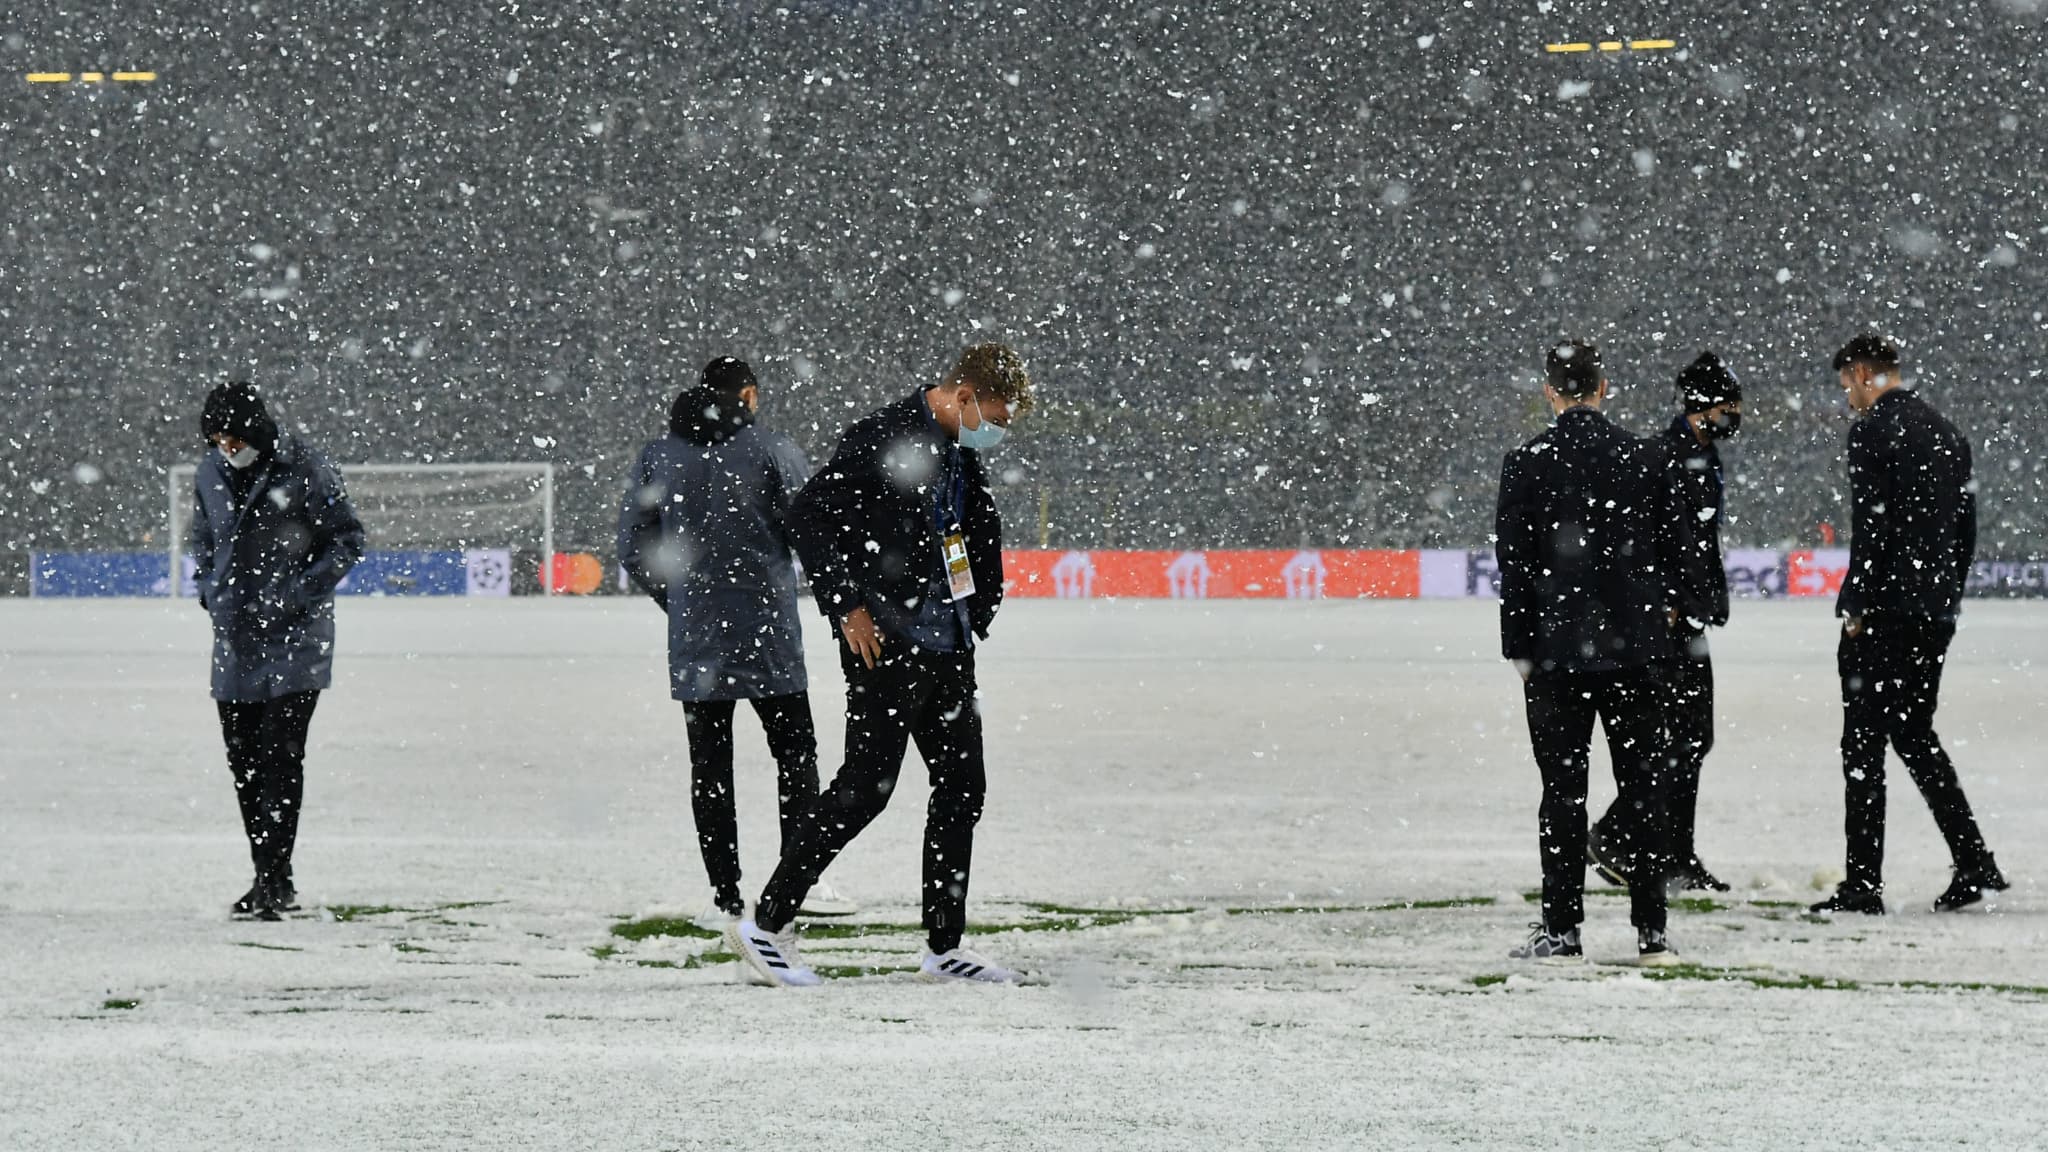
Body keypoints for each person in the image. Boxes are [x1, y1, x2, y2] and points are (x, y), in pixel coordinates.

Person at [728, 343, 1033, 987]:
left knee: (963, 788)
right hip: (889, 645)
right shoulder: (883, 436)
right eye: (995, 417)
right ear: (964, 395)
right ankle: (767, 922)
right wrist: (846, 604)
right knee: (866, 788)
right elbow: (807, 515)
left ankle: (944, 948)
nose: (997, 431)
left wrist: (978, 608)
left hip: (948, 644)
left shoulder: (958, 450)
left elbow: (971, 530)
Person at [616, 357, 856, 924]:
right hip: (768, 630)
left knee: (710, 768)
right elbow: (812, 526)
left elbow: (633, 547)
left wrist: (679, 603)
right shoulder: (772, 449)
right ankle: (799, 881)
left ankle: (726, 893)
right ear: (747, 394)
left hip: (698, 640)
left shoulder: (659, 456)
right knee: (796, 757)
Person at [1495, 339, 1683, 967]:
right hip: (1634, 653)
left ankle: (1563, 926)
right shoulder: (1645, 457)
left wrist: (1520, 650)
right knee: (1645, 787)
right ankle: (1651, 927)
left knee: (1562, 792)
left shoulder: (1526, 463)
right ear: (1604, 388)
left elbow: (1515, 570)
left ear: (1551, 392)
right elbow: (1672, 552)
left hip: (1556, 656)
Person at [1810, 334, 2007, 915]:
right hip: (1933, 609)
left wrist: (1858, 605)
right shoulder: (1947, 433)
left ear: (1866, 372)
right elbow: (1964, 531)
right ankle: (1973, 858)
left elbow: (1873, 526)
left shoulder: (1872, 432)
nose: (1847, 393)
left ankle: (1863, 885)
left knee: (1863, 748)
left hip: (1888, 612)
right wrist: (1945, 597)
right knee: (1916, 735)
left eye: (1848, 381)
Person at [189, 381, 365, 920]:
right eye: (215, 437)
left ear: (256, 431)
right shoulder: (209, 475)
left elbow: (348, 540)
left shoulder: (306, 467)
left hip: (295, 643)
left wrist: (295, 595)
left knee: (280, 757)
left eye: (232, 435)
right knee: (243, 762)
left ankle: (271, 877)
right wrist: (208, 589)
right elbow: (202, 537)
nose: (225, 446)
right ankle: (270, 875)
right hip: (235, 640)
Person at [1588, 352, 1743, 893]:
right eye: (1729, 405)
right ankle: (1614, 835)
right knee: (1677, 740)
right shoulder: (1665, 457)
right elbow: (1650, 540)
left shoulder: (1701, 458)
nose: (1736, 414)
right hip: (1668, 625)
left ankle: (1674, 852)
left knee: (1693, 738)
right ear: (1703, 406)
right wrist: (1665, 601)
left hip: (1689, 619)